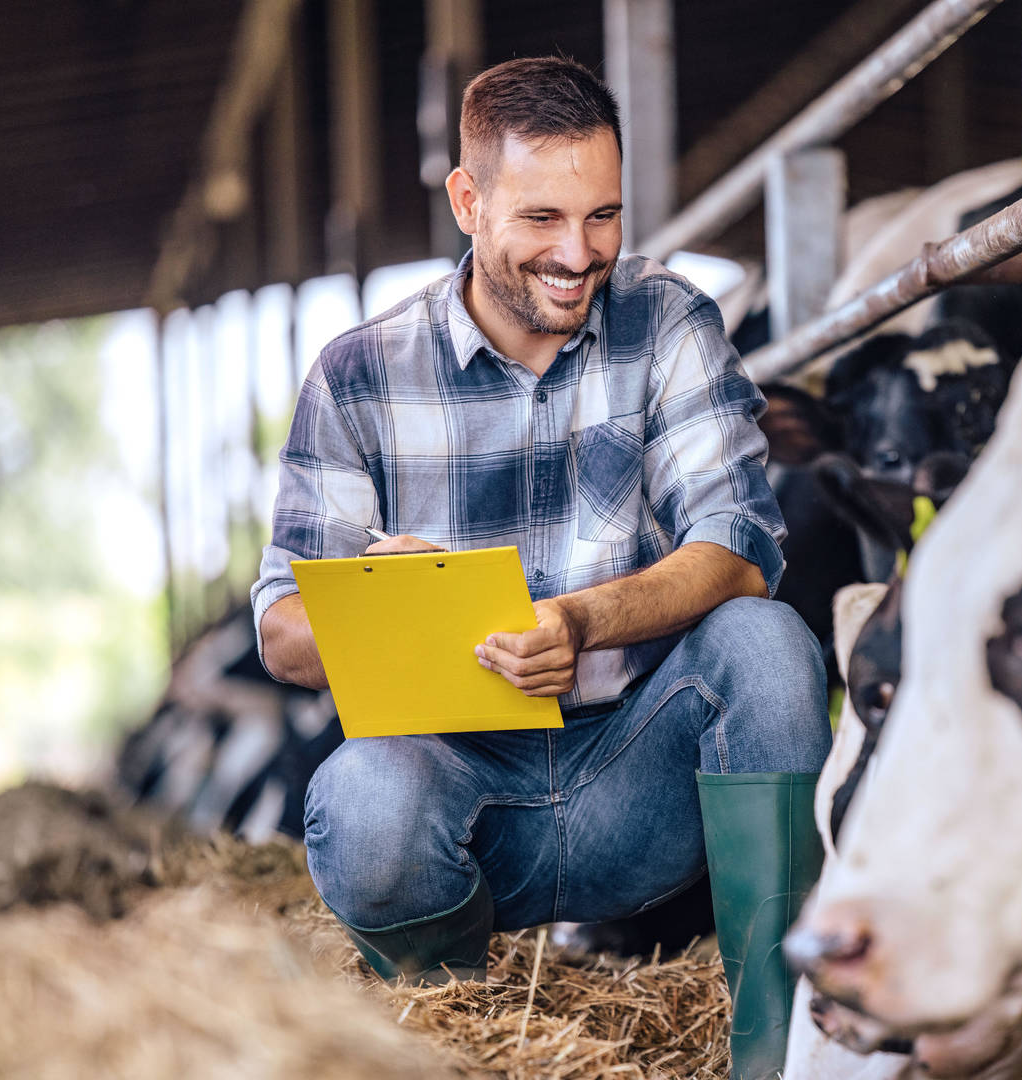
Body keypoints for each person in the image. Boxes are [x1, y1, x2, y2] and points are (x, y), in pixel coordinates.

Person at [250, 56, 831, 1080]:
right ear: (467, 202)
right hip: (465, 795)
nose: (579, 253)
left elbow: (738, 549)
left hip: (644, 778)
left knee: (768, 643)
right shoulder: (358, 376)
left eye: (602, 215)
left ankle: (777, 1051)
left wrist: (576, 623)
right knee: (364, 801)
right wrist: (374, 597)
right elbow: (280, 634)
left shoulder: (668, 322)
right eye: (541, 219)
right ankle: (460, 1040)